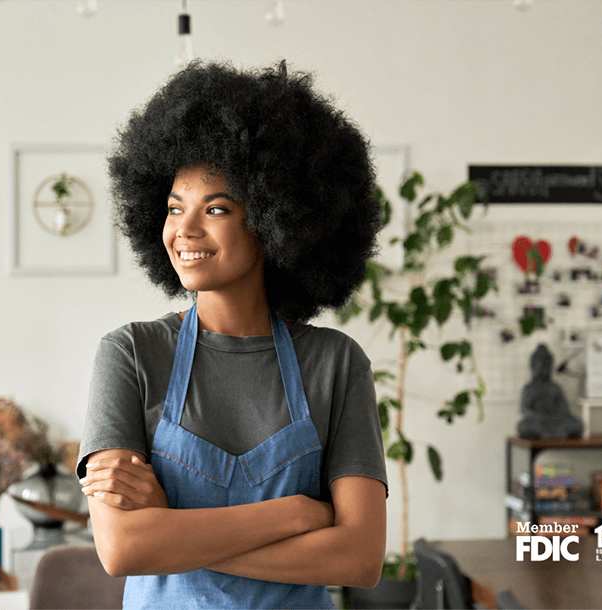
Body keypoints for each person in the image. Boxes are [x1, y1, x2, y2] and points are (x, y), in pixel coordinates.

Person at [77, 60, 388, 610]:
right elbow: (122, 548)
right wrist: (293, 516)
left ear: (274, 221)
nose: (184, 231)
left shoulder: (336, 363)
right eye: (175, 208)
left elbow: (358, 559)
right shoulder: (130, 355)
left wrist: (171, 528)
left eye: (215, 208)